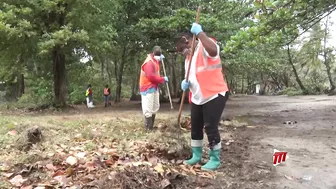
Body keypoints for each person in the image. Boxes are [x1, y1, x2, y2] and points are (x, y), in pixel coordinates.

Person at [175, 23, 229, 171]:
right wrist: (186, 84)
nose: (183, 53)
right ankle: (196, 155)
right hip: (198, 97)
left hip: (214, 94)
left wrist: (200, 33)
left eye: (182, 49)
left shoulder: (205, 45)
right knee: (195, 127)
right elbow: (194, 76)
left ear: (187, 40)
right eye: (180, 52)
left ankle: (214, 158)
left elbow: (213, 51)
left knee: (210, 127)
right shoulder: (188, 59)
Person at [139, 46, 168, 131]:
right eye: (158, 55)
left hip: (154, 87)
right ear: (154, 54)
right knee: (148, 108)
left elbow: (156, 74)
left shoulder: (156, 61)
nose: (159, 57)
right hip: (147, 88)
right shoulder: (149, 63)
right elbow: (151, 77)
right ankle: (148, 128)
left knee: (155, 106)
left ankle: (151, 126)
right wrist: (162, 79)